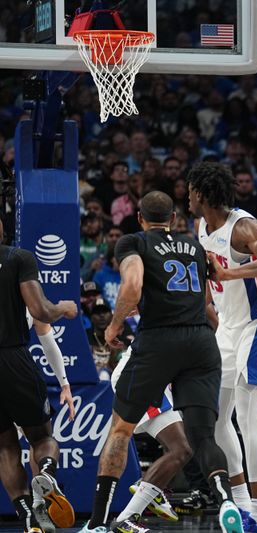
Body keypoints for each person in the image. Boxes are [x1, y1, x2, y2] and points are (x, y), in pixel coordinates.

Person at [80, 192, 244, 533]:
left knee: (121, 430)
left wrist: (113, 326)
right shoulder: (195, 247)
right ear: (173, 219)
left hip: (158, 342)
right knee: (202, 437)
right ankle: (225, 500)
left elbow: (133, 285)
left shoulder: (134, 242)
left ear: (140, 218)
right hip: (201, 341)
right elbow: (209, 302)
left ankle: (98, 524)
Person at [191, 162, 257, 532]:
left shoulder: (242, 226)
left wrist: (230, 273)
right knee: (216, 418)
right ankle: (243, 506)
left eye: (188, 189)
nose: (185, 195)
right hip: (228, 327)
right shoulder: (202, 226)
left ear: (200, 193)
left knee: (248, 417)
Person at [0, 217, 78, 533]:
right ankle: (45, 473)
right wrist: (64, 306)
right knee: (42, 437)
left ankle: (26, 516)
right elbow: (42, 313)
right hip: (12, 357)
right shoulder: (18, 258)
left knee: (4, 445)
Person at [109, 347, 184, 524]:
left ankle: (154, 487)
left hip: (154, 375)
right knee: (180, 448)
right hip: (143, 376)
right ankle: (126, 517)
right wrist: (115, 325)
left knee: (185, 441)